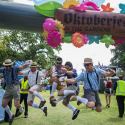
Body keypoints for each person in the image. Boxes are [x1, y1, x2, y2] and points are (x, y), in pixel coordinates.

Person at [0, 59, 29, 125]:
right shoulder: (3, 69)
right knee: (3, 104)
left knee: (17, 105)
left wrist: (26, 64)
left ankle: (21, 109)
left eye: (9, 66)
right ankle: (11, 115)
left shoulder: (15, 68)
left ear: (11, 65)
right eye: (6, 66)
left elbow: (22, 67)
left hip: (15, 87)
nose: (8, 67)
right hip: (8, 88)